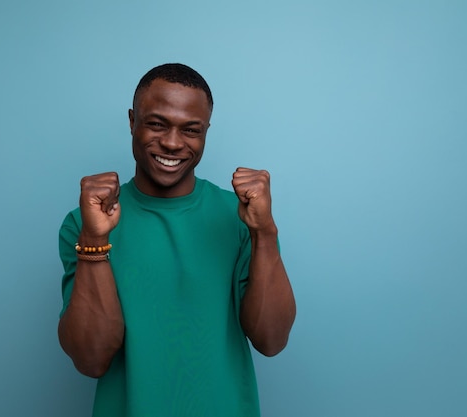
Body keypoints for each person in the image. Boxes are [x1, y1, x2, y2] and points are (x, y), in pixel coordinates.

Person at [58, 63, 296, 417]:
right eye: (156, 123)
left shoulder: (241, 217)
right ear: (131, 121)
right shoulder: (85, 222)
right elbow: (91, 359)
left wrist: (264, 232)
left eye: (191, 129)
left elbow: (272, 340)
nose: (172, 142)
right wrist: (94, 239)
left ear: (206, 132)